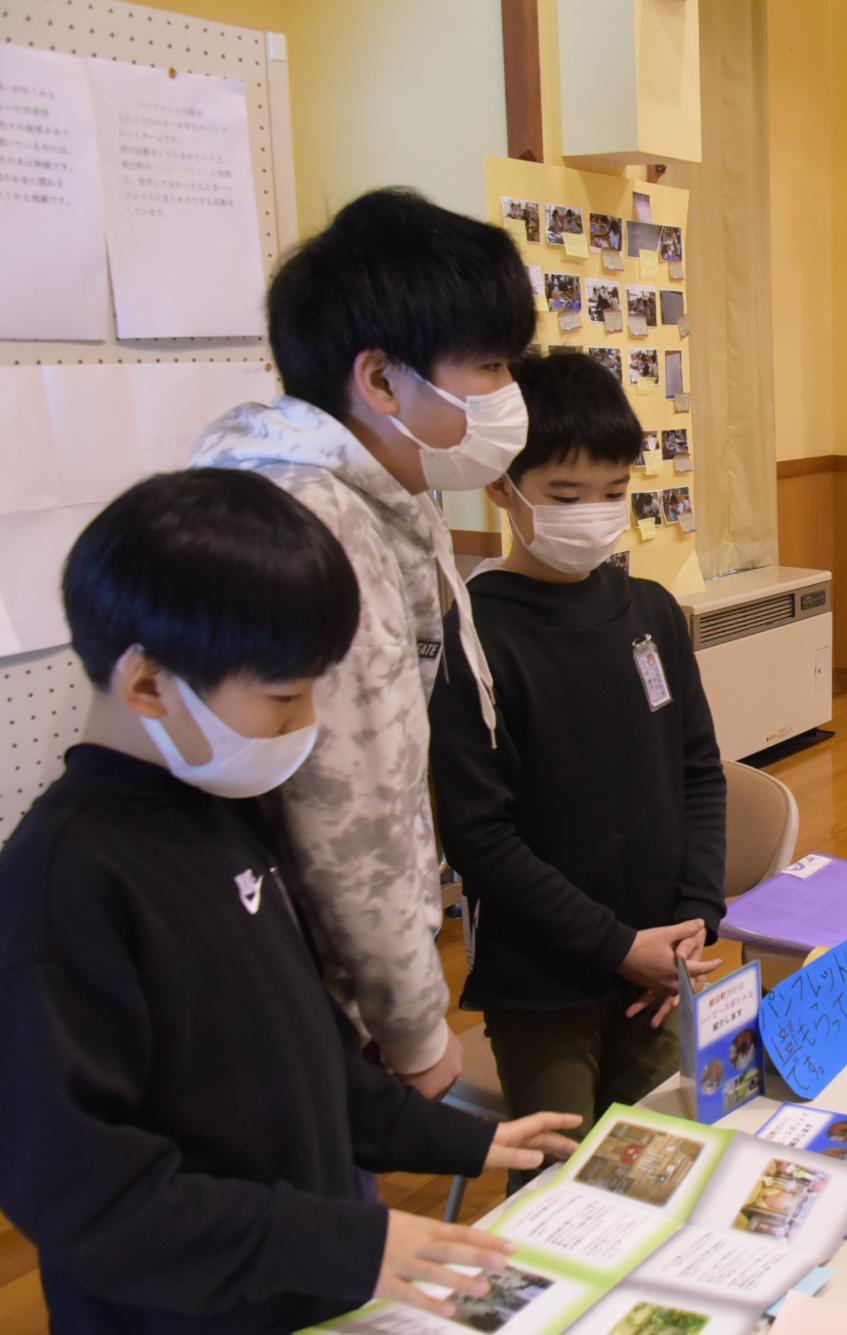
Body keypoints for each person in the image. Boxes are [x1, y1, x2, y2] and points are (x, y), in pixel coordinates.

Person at [0, 471, 579, 1332]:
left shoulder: (228, 812)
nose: (306, 724)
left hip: (309, 1289)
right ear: (150, 685)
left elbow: (310, 1057)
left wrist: (460, 1141)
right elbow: (94, 1199)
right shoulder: (61, 884)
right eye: (282, 698)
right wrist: (345, 1241)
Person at [192, 188, 537, 1097]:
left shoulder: (327, 484)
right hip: (281, 991)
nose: (510, 395)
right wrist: (419, 1029)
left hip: (267, 966)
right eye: (492, 365)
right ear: (381, 380)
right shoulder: (322, 526)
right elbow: (354, 809)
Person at [429, 353, 728, 1138]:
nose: (594, 513)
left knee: (668, 1156)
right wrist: (616, 944)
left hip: (661, 967)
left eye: (614, 492)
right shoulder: (474, 640)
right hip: (544, 984)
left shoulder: (652, 613)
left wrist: (696, 915)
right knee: (564, 1190)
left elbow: (700, 773)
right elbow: (479, 837)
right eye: (566, 495)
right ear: (502, 484)